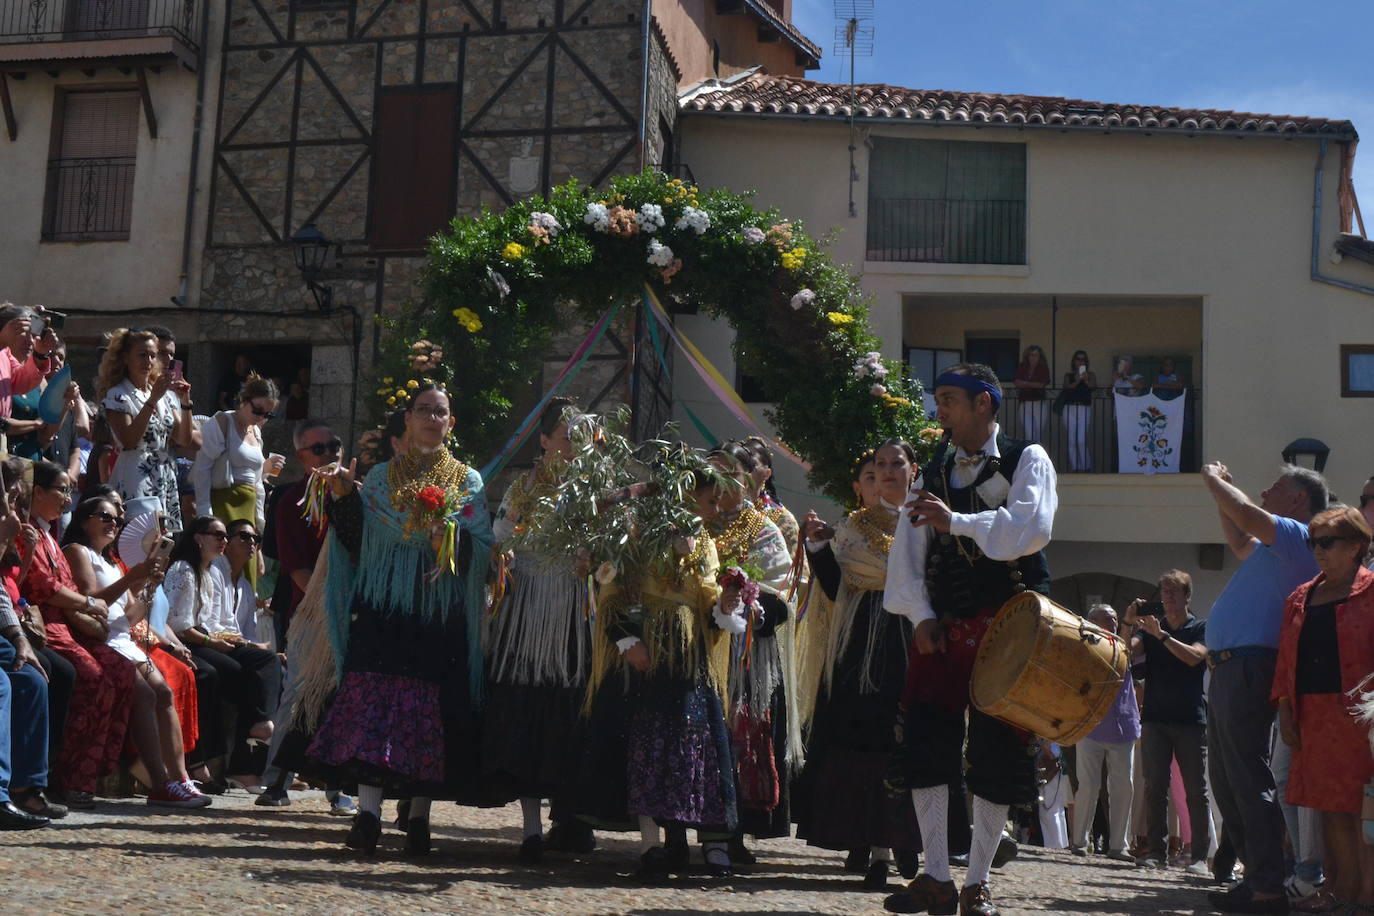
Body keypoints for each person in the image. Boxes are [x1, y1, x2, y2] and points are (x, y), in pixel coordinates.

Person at [883, 363, 1057, 916]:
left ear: (984, 403)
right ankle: (935, 875)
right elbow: (905, 556)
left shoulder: (1029, 458)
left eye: (950, 400)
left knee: (997, 753)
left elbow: (1027, 531)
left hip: (1011, 633)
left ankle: (976, 881)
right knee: (927, 743)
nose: (942, 413)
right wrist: (921, 616)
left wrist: (955, 521)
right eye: (939, 401)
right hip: (945, 629)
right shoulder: (929, 474)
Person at [307, 383, 493, 857]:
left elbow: (483, 551)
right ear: (407, 421)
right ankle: (368, 816)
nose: (432, 418)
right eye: (424, 410)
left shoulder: (468, 482)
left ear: (451, 424)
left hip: (437, 611)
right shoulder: (380, 479)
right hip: (384, 609)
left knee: (431, 711)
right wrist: (345, 498)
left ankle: (419, 818)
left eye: (441, 412)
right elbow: (354, 543)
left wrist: (447, 542)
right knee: (374, 708)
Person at [576, 464, 734, 880]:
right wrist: (629, 641)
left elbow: (709, 597)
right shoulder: (639, 534)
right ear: (685, 496)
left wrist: (728, 605)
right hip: (645, 655)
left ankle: (680, 835)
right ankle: (650, 844)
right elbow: (612, 591)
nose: (715, 509)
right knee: (641, 744)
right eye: (710, 500)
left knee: (683, 746)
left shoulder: (703, 544)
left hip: (686, 657)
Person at [1201, 461, 1326, 914]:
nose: (1265, 492)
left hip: (1250, 665)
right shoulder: (1280, 547)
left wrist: (1213, 482)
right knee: (1227, 778)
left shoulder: (1297, 533)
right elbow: (1238, 537)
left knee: (1246, 777)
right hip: (1232, 667)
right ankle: (1258, 880)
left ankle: (1267, 886)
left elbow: (1248, 517)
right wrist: (1223, 495)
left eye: (1276, 487)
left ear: (1298, 500)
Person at [797, 439, 921, 890]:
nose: (886, 473)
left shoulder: (927, 519)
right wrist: (817, 551)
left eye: (894, 465)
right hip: (865, 642)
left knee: (910, 740)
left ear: (912, 469)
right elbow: (836, 587)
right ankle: (878, 849)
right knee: (869, 741)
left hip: (914, 636)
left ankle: (911, 838)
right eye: (879, 466)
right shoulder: (851, 528)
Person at [484, 398, 596, 861]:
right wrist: (504, 557)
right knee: (526, 713)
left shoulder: (596, 490)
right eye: (567, 437)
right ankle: (530, 828)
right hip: (528, 616)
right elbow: (500, 539)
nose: (574, 447)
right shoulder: (521, 490)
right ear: (545, 441)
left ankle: (571, 820)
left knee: (570, 715)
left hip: (574, 614)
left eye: (582, 439)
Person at [62, 496, 208, 808]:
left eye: (116, 518)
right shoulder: (78, 552)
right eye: (105, 516)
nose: (112, 523)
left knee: (164, 693)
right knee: (146, 695)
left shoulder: (112, 562)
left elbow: (131, 616)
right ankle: (159, 782)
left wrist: (148, 587)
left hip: (123, 639)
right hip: (98, 640)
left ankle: (180, 778)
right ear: (85, 520)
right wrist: (133, 576)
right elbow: (90, 598)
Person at [1273, 506, 1374, 911]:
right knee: (1329, 806)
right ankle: (1337, 887)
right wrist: (1285, 709)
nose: (1317, 551)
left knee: (1363, 807)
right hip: (1313, 714)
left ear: (1355, 546)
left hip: (1362, 717)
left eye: (1327, 542)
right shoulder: (1301, 597)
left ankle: (1366, 892)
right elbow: (1286, 659)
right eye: (1313, 542)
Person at [19, 460, 135, 808]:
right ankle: (61, 775)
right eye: (62, 491)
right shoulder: (33, 533)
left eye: (70, 492)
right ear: (37, 492)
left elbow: (65, 588)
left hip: (65, 626)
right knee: (90, 675)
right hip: (47, 628)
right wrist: (87, 602)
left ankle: (91, 773)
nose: (67, 500)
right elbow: (45, 587)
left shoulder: (49, 536)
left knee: (119, 671)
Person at [702, 442, 796, 867]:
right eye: (712, 476)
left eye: (730, 475)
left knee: (740, 741)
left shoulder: (764, 530)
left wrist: (741, 607)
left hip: (744, 656)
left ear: (745, 480)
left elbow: (781, 597)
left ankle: (731, 830)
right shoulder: (691, 526)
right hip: (696, 649)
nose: (721, 486)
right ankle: (675, 829)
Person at [257, 419, 354, 816]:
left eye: (334, 446)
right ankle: (276, 779)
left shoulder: (355, 498)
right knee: (299, 691)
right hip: (310, 610)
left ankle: (339, 788)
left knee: (343, 696)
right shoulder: (293, 501)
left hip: (350, 609)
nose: (330, 455)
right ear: (301, 457)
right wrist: (324, 602)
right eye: (320, 449)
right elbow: (295, 566)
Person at [164, 515, 282, 793]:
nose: (223, 542)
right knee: (214, 674)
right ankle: (201, 759)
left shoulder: (213, 573)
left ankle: (255, 735)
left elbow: (222, 622)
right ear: (198, 538)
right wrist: (215, 642)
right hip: (186, 641)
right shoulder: (183, 569)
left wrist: (242, 644)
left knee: (265, 663)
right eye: (218, 535)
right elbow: (178, 623)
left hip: (210, 639)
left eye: (224, 537)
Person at [1121, 571, 1211, 873]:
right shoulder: (1148, 631)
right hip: (1156, 719)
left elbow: (1194, 657)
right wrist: (1128, 623)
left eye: (1174, 591)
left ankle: (1199, 856)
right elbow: (1124, 654)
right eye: (1164, 591)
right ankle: (1156, 852)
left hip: (1190, 719)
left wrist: (1161, 635)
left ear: (1187, 596)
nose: (1168, 596)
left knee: (1195, 790)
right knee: (1155, 787)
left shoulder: (1199, 627)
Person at [99, 328, 200, 532]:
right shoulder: (118, 394)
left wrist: (186, 403)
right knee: (139, 541)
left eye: (153, 355)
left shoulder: (163, 394)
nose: (148, 361)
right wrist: (153, 400)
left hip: (164, 474)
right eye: (142, 355)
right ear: (126, 357)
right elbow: (129, 440)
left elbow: (184, 439)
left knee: (163, 545)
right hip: (136, 474)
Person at [1068, 604, 1139, 862]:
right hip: (1091, 724)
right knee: (1088, 785)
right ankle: (1079, 842)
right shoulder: (1082, 644)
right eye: (1107, 618)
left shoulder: (1124, 643)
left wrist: (1128, 625)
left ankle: (1119, 845)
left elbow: (1131, 650)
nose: (1112, 622)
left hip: (1123, 723)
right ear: (1092, 621)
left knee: (1122, 787)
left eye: (1114, 618)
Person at [190, 373, 284, 557]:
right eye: (258, 410)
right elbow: (202, 468)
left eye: (268, 414)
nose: (261, 417)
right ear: (244, 400)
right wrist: (205, 515)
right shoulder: (223, 422)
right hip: (224, 502)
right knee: (222, 567)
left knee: (245, 571)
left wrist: (259, 520)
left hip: (248, 508)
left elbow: (257, 481)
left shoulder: (256, 432)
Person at [741, 435, 801, 556]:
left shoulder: (784, 520)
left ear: (767, 474)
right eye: (739, 465)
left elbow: (795, 572)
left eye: (750, 466)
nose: (743, 472)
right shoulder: (718, 507)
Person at [1062, 350, 1096, 472]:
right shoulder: (1068, 376)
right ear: (1074, 361)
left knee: (1081, 440)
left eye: (1083, 359)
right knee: (1071, 440)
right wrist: (1077, 380)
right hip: (1069, 408)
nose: (1080, 361)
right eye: (1078, 359)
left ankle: (1086, 467)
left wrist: (1085, 380)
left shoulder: (1090, 375)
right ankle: (1075, 467)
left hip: (1084, 408)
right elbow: (1067, 387)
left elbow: (1093, 386)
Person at [1013, 345, 1050, 443]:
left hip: (1039, 402)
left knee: (1038, 434)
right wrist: (1032, 384)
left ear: (1040, 357)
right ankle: (1030, 456)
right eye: (1031, 355)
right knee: (1029, 434)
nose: (1033, 358)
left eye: (1036, 355)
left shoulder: (1043, 368)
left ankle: (1037, 456)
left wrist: (1025, 384)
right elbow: (1017, 382)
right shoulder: (1022, 366)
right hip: (1025, 403)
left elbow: (1042, 384)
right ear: (1027, 356)